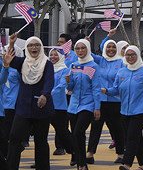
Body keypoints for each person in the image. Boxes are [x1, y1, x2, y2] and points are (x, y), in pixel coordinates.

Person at [102, 45, 143, 170]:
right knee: (136, 137)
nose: (130, 57)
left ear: (138, 56)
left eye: (133, 55)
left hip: (141, 110)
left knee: (131, 137)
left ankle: (126, 164)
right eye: (127, 55)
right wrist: (105, 90)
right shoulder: (121, 72)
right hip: (125, 110)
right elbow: (116, 89)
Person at [1, 35, 55, 170]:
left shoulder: (47, 64)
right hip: (23, 108)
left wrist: (44, 95)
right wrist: (11, 44)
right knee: (14, 138)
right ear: (27, 48)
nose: (34, 47)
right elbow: (11, 59)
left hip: (41, 108)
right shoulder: (23, 62)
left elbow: (49, 81)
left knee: (41, 141)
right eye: (31, 45)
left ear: (41, 47)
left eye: (37, 45)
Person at [88, 32, 126, 164]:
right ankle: (90, 153)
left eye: (113, 47)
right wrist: (107, 37)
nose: (111, 49)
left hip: (116, 101)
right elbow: (88, 53)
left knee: (117, 128)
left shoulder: (121, 62)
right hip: (101, 101)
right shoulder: (101, 60)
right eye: (108, 47)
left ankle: (121, 154)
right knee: (96, 126)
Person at [66, 39, 102, 170]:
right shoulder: (74, 65)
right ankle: (81, 164)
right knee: (76, 136)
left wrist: (97, 107)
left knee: (78, 132)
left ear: (88, 49)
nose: (80, 51)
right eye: (77, 49)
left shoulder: (93, 66)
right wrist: (68, 82)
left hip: (88, 104)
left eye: (83, 48)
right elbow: (71, 88)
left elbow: (96, 88)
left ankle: (82, 162)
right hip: (74, 105)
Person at [48, 47, 76, 163]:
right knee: (41, 134)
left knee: (62, 131)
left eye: (55, 55)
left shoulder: (65, 70)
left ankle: (75, 152)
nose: (53, 57)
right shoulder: (46, 69)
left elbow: (62, 84)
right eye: (51, 55)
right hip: (45, 105)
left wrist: (50, 93)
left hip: (59, 105)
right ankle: (40, 159)